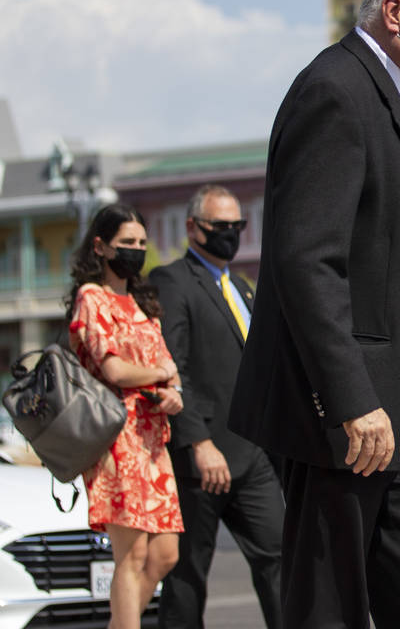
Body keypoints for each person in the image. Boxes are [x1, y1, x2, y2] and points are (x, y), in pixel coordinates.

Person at [228, 0, 400, 629]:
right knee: (330, 601)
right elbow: (306, 259)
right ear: (395, 11)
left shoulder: (395, 102)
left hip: (396, 408)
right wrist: (350, 400)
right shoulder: (337, 91)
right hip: (352, 415)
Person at [150, 184, 283, 629]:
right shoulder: (171, 282)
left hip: (253, 455)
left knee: (279, 559)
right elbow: (172, 366)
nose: (231, 234)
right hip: (200, 460)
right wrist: (200, 442)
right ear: (192, 228)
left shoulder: (242, 287)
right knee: (188, 576)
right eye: (220, 226)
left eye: (238, 226)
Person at [66, 203, 184, 629]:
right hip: (116, 438)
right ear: (100, 246)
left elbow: (168, 368)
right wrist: (161, 377)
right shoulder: (90, 298)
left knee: (164, 555)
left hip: (154, 441)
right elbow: (114, 369)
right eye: (126, 243)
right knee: (130, 556)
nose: (135, 250)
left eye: (140, 243)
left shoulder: (140, 302)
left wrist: (172, 393)